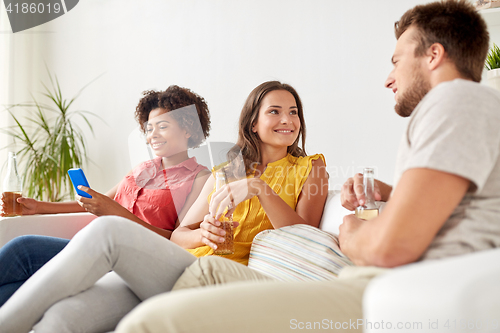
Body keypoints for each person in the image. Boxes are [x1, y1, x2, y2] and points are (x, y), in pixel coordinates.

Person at [110, 1, 500, 332]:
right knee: (177, 279)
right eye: (274, 112)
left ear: (433, 56)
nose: (388, 78)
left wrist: (349, 233)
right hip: (377, 281)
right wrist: (386, 194)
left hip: (389, 289)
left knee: (150, 319)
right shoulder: (461, 108)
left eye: (397, 60)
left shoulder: (456, 103)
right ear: (253, 122)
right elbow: (449, 209)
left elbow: (389, 247)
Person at [0, 80, 329, 333]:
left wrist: (258, 187)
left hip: (217, 277)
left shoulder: (310, 168)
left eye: (294, 111)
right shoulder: (227, 171)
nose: (288, 119)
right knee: (62, 319)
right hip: (178, 265)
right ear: (253, 123)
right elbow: (180, 234)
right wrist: (205, 236)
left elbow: (302, 236)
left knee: (106, 231)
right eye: (275, 111)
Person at [0, 86, 211, 307]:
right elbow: (96, 203)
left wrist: (116, 213)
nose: (153, 135)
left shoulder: (200, 179)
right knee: (15, 288)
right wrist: (38, 207)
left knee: (24, 250)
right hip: (95, 245)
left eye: (163, 126)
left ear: (188, 129)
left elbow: (177, 240)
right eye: (149, 128)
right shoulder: (143, 168)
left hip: (133, 259)